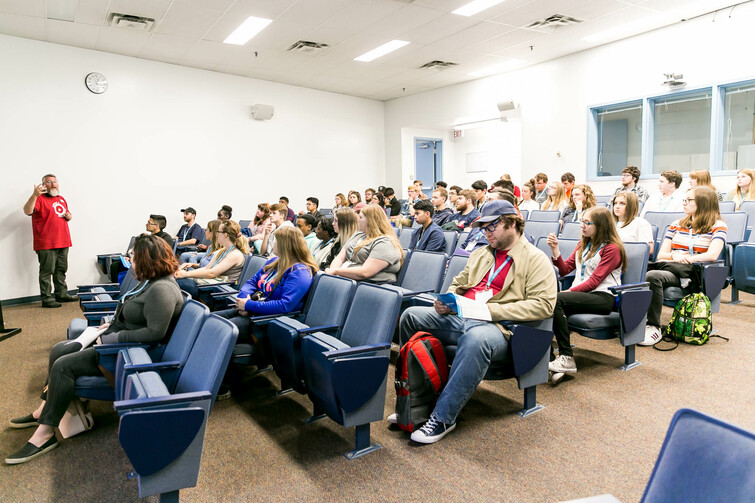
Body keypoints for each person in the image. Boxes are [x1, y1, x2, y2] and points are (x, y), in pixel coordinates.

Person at [6, 234, 184, 465]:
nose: (130, 261)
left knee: (63, 366)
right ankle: (44, 409)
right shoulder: (150, 282)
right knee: (59, 349)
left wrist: (112, 338)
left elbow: (154, 334)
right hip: (116, 339)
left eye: (133, 257)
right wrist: (110, 325)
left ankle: (44, 435)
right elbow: (134, 313)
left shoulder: (162, 290)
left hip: (127, 353)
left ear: (148, 260)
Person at [394, 200, 557, 443]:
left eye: (491, 227)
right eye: (483, 228)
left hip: (499, 327)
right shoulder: (482, 253)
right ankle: (417, 402)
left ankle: (443, 417)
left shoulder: (536, 259)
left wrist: (490, 311)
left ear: (512, 223)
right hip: (463, 316)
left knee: (476, 338)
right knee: (411, 316)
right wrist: (449, 300)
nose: (485, 233)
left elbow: (543, 305)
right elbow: (459, 281)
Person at [546, 207, 626, 377]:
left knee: (556, 300)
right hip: (583, 295)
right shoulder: (584, 244)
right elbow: (565, 269)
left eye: (586, 222)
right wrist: (555, 250)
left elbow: (594, 282)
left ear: (601, 225)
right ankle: (547, 355)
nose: (582, 225)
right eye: (581, 221)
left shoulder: (612, 249)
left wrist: (569, 291)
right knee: (547, 302)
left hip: (603, 297)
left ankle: (566, 357)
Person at [643, 187, 727, 346]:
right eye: (684, 200)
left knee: (652, 276)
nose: (685, 203)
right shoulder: (676, 224)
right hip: (671, 266)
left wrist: (689, 259)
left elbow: (712, 255)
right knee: (639, 269)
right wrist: (674, 256)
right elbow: (662, 255)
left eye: (689, 200)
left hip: (692, 271)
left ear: (703, 202)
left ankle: (653, 326)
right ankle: (630, 320)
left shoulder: (718, 225)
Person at [23, 174, 76, 308]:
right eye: (49, 182)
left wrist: (69, 216)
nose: (53, 184)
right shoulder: (39, 199)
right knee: (47, 271)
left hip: (63, 241)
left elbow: (63, 214)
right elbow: (27, 211)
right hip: (46, 243)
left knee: (61, 270)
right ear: (43, 185)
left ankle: (61, 294)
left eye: (55, 181)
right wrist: (34, 195)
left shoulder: (61, 199)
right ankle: (46, 298)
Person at [326, 205, 404, 284]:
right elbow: (340, 257)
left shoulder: (385, 243)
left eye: (360, 217)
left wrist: (336, 271)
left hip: (372, 285)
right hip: (348, 280)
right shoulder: (358, 235)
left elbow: (365, 272)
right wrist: (332, 272)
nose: (357, 220)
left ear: (371, 221)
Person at [175, 220, 249, 299]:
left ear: (225, 235)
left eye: (218, 232)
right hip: (211, 283)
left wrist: (185, 274)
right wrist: (183, 273)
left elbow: (212, 273)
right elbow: (207, 268)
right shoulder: (222, 251)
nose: (216, 234)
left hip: (218, 290)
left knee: (179, 281)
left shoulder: (235, 254)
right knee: (177, 278)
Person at [112, 214, 175, 281]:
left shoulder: (165, 239)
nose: (146, 224)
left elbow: (157, 256)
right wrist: (130, 258)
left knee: (118, 267)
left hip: (151, 265)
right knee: (115, 265)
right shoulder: (148, 238)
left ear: (156, 226)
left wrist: (136, 259)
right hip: (140, 261)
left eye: (149, 223)